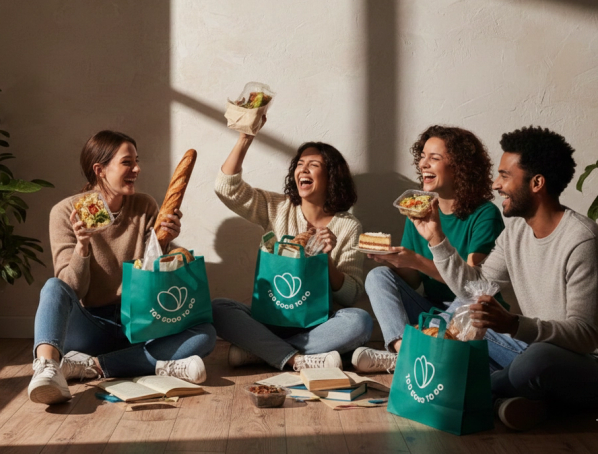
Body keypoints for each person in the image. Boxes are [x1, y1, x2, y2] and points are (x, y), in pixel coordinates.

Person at [412, 126, 598, 430]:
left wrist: (513, 324)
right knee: (449, 326)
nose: (497, 185)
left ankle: (477, 389)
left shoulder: (582, 240)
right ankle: (516, 402)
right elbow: (472, 288)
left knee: (536, 361)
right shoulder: (515, 233)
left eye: (505, 176)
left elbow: (585, 335)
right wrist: (436, 239)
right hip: (529, 343)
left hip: (579, 362)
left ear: (537, 183)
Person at [28, 130, 216, 404]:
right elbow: (72, 288)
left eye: (136, 161)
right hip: (91, 325)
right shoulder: (66, 211)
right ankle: (47, 370)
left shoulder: (144, 206)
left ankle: (95, 366)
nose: (137, 169)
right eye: (127, 163)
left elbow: (153, 268)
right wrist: (82, 247)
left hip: (140, 323)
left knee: (206, 334)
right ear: (100, 169)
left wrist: (167, 245)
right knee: (53, 287)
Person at [211, 129, 373, 372]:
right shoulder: (277, 208)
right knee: (218, 308)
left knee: (360, 321)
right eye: (299, 164)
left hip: (317, 323)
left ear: (331, 176)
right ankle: (293, 357)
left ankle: (260, 352)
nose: (303, 169)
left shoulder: (348, 226)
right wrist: (246, 137)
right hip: (270, 318)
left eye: (313, 164)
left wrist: (326, 259)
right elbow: (226, 188)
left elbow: (349, 296)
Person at [352, 126, 505, 373]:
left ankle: (420, 349)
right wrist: (395, 261)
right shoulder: (418, 208)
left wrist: (416, 260)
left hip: (470, 315)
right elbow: (412, 282)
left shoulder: (484, 215)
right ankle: (403, 350)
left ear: (461, 167)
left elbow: (472, 289)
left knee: (460, 304)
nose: (424, 164)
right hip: (432, 313)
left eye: (434, 158)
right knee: (377, 275)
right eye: (422, 156)